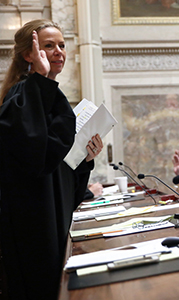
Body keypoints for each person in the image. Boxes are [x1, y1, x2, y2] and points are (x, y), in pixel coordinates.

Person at [0, 20, 102, 300]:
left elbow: (54, 165)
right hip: (33, 224)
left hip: (50, 215)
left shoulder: (43, 94)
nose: (58, 51)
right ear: (28, 54)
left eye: (61, 45)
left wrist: (85, 160)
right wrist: (42, 80)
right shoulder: (21, 95)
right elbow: (33, 159)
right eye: (48, 46)